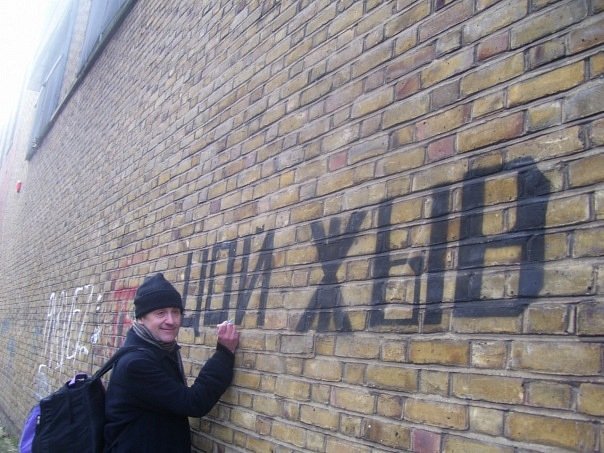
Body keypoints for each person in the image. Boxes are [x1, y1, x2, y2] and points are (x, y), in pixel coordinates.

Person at [104, 273, 239, 452]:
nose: (171, 321)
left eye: (175, 312)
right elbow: (193, 403)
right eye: (160, 313)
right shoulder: (136, 364)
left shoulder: (155, 350)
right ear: (141, 318)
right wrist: (224, 354)